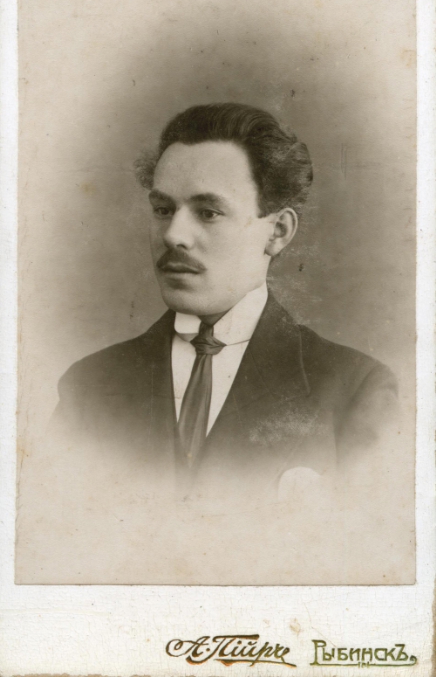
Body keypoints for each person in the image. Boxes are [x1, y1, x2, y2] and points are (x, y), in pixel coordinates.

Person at [51, 102, 398, 506]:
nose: (173, 235)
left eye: (208, 212)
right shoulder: (89, 386)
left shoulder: (354, 389)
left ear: (278, 232)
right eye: (163, 209)